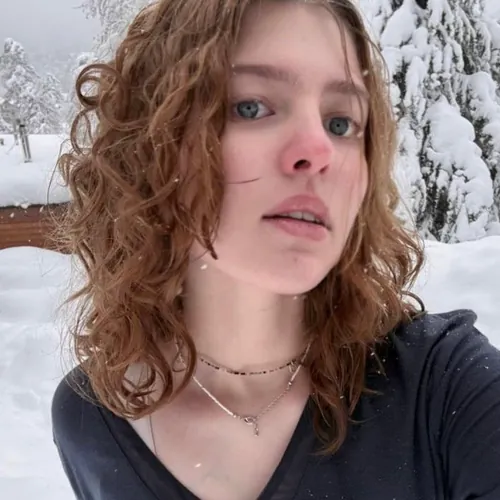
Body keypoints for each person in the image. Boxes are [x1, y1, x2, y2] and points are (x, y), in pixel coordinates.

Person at [50, 0, 500, 499]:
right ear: (153, 145)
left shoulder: (447, 389)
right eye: (251, 107)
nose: (320, 150)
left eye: (341, 123)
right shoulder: (93, 419)